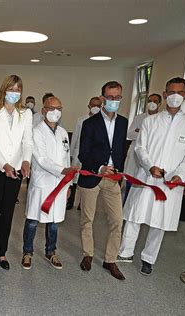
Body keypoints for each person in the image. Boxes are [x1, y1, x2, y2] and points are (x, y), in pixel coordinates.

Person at [118, 77, 185, 275]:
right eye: (171, 92)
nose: (175, 96)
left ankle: (148, 258)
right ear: (164, 94)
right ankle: (125, 252)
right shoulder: (150, 121)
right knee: (134, 216)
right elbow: (140, 147)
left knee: (160, 222)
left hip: (171, 183)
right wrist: (150, 166)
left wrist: (180, 175)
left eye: (180, 93)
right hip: (146, 178)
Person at [77, 81, 128, 280]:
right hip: (93, 176)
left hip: (113, 179)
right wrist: (100, 167)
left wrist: (119, 171)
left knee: (117, 220)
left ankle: (110, 260)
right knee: (87, 219)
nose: (114, 101)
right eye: (110, 97)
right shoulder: (90, 123)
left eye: (117, 97)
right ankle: (87, 254)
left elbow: (121, 150)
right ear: (102, 98)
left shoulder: (123, 123)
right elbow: (83, 153)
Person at [22, 96, 79, 270]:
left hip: (60, 184)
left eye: (59, 108)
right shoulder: (36, 131)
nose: (55, 112)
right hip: (42, 183)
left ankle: (50, 252)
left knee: (54, 221)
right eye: (51, 108)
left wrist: (68, 184)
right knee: (33, 219)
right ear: (44, 110)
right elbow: (41, 158)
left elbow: (66, 159)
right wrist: (63, 171)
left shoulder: (63, 133)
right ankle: (27, 252)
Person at [0, 74, 33, 271]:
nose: (14, 93)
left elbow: (27, 141)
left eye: (17, 90)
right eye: (11, 89)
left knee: (8, 213)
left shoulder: (26, 114)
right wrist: (4, 165)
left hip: (16, 170)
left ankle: (2, 252)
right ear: (4, 91)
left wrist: (26, 161)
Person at [123, 93, 162, 201]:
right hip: (134, 156)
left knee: (143, 186)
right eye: (150, 101)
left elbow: (158, 137)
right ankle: (125, 205)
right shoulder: (139, 117)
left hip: (150, 156)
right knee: (130, 181)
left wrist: (140, 131)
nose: (152, 103)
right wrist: (146, 134)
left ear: (159, 104)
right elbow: (130, 134)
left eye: (155, 101)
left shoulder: (160, 119)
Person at [67, 96, 102, 209]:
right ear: (89, 106)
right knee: (74, 179)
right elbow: (75, 137)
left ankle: (82, 204)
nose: (95, 107)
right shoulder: (81, 120)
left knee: (87, 179)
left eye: (98, 105)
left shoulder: (102, 122)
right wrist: (71, 154)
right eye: (93, 105)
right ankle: (70, 201)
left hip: (92, 157)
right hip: (79, 153)